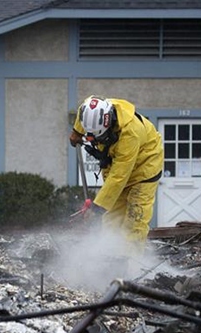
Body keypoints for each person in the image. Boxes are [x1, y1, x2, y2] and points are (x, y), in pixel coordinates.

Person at [69, 95, 163, 248]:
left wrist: (97, 207)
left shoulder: (130, 133)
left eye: (100, 136)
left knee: (135, 219)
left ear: (109, 122)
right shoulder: (91, 108)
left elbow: (119, 175)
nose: (97, 140)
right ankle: (108, 255)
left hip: (145, 167)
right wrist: (77, 131)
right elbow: (82, 113)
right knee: (111, 219)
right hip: (119, 165)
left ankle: (131, 260)